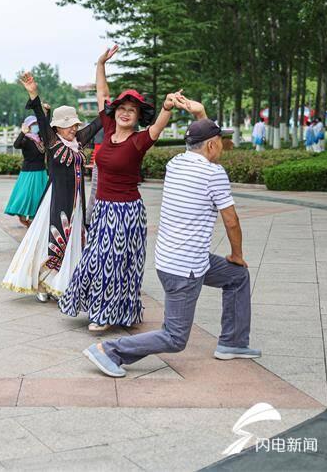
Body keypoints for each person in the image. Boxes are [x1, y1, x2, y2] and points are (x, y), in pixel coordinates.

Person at [82, 102, 261, 378]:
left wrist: (200, 115)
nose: (223, 147)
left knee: (237, 277)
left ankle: (232, 342)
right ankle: (110, 351)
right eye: (220, 142)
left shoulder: (176, 163)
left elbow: (205, 141)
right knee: (175, 338)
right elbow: (231, 221)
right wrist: (236, 253)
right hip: (185, 268)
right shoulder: (214, 174)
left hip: (169, 260)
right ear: (212, 146)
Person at [59, 45, 177, 332]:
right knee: (95, 259)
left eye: (131, 111)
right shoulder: (109, 128)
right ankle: (99, 308)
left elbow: (159, 126)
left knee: (116, 264)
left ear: (138, 117)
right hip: (102, 210)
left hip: (126, 212)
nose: (125, 114)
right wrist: (100, 64)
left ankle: (106, 314)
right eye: (122, 109)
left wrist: (167, 107)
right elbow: (102, 94)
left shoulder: (139, 141)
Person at [2, 72, 100, 300]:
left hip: (75, 203)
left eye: (74, 125)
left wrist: (110, 104)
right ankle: (44, 281)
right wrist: (33, 93)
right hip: (55, 200)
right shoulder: (52, 141)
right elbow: (40, 116)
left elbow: (97, 124)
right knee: (49, 238)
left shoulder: (78, 142)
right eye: (67, 126)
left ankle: (60, 282)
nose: (73, 129)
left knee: (72, 240)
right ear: (56, 128)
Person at [4, 115, 49, 227]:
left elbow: (46, 127)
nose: (35, 126)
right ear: (28, 126)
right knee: (25, 195)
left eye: (36, 124)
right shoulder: (26, 139)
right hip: (29, 172)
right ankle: (21, 214)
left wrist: (47, 112)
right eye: (32, 124)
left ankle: (34, 218)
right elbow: (16, 145)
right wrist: (23, 132)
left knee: (39, 196)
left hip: (41, 172)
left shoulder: (41, 138)